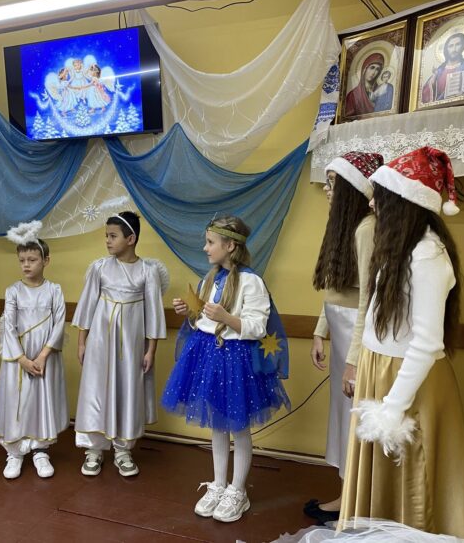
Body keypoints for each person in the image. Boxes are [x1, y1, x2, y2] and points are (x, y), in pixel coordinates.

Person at [339, 147, 464, 540]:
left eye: (379, 196)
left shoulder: (427, 254)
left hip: (407, 385)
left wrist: (392, 409)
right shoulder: (400, 249)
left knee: (413, 484)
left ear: (404, 202)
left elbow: (427, 343)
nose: (371, 204)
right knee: (382, 481)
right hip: (382, 372)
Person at [162, 215, 290, 523]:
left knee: (238, 427)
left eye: (210, 242)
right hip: (209, 357)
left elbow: (257, 327)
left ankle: (238, 490)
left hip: (236, 361)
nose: (205, 248)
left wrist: (226, 318)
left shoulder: (251, 282)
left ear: (230, 246)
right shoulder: (209, 279)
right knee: (217, 424)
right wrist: (190, 313)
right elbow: (201, 322)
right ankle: (218, 484)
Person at [304, 152, 381, 525]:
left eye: (333, 184)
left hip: (355, 333)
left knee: (355, 416)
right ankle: (348, 492)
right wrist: (321, 330)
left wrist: (353, 359)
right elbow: (335, 288)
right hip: (342, 330)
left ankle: (355, 499)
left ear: (353, 189)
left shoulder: (367, 229)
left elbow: (368, 299)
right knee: (343, 415)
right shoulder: (346, 227)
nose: (326, 190)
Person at [72, 211, 167, 478]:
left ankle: (123, 450)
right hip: (100, 343)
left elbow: (154, 314)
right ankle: (93, 449)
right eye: (106, 236)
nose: (107, 241)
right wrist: (81, 343)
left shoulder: (147, 272)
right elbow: (87, 305)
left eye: (113, 236)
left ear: (131, 239)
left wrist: (150, 350)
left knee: (128, 390)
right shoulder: (99, 268)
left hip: (131, 347)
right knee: (95, 389)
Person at [0, 221, 68, 479]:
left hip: (44, 358)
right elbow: (9, 327)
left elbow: (59, 323)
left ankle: (40, 450)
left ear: (46, 260)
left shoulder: (54, 290)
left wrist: (43, 356)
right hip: (20, 358)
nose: (26, 265)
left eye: (32, 260)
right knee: (18, 401)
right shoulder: (13, 291)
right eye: (22, 260)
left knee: (40, 400)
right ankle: (14, 452)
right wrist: (22, 359)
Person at [421, 32, 464, 104]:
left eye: (458, 44)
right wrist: (431, 84)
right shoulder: (439, 71)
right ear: (446, 49)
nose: (454, 49)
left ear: (463, 46)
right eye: (451, 46)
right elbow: (424, 98)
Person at [344, 53, 384, 119]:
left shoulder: (381, 91)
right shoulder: (352, 95)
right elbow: (348, 119)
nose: (373, 72)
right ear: (365, 69)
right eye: (372, 68)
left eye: (377, 69)